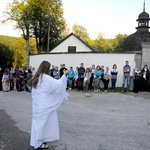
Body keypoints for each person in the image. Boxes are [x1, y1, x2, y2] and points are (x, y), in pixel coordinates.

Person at [30, 61, 69, 149]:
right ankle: (39, 144)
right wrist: (64, 75)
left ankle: (39, 140)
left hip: (38, 105)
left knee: (39, 123)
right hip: (44, 105)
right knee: (42, 124)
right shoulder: (46, 78)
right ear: (47, 68)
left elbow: (35, 93)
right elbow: (58, 85)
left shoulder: (37, 77)